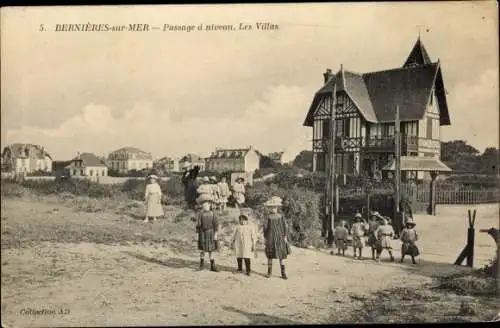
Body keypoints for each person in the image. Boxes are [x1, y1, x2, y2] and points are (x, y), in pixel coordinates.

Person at [263, 196, 290, 279]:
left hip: (279, 237)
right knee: (270, 254)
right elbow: (265, 227)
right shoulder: (268, 217)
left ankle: (283, 273)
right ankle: (269, 272)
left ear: (277, 208)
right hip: (270, 237)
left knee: (281, 254)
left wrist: (285, 236)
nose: (273, 209)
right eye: (271, 208)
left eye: (274, 208)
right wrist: (265, 237)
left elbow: (285, 226)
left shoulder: (281, 216)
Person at [195, 200, 220, 272]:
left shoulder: (213, 214)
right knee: (202, 249)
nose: (205, 207)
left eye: (206, 206)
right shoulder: (200, 214)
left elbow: (216, 225)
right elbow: (198, 225)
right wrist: (197, 234)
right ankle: (201, 265)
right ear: (202, 207)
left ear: (209, 206)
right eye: (204, 206)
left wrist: (215, 234)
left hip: (211, 233)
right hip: (202, 233)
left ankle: (213, 266)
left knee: (211, 250)